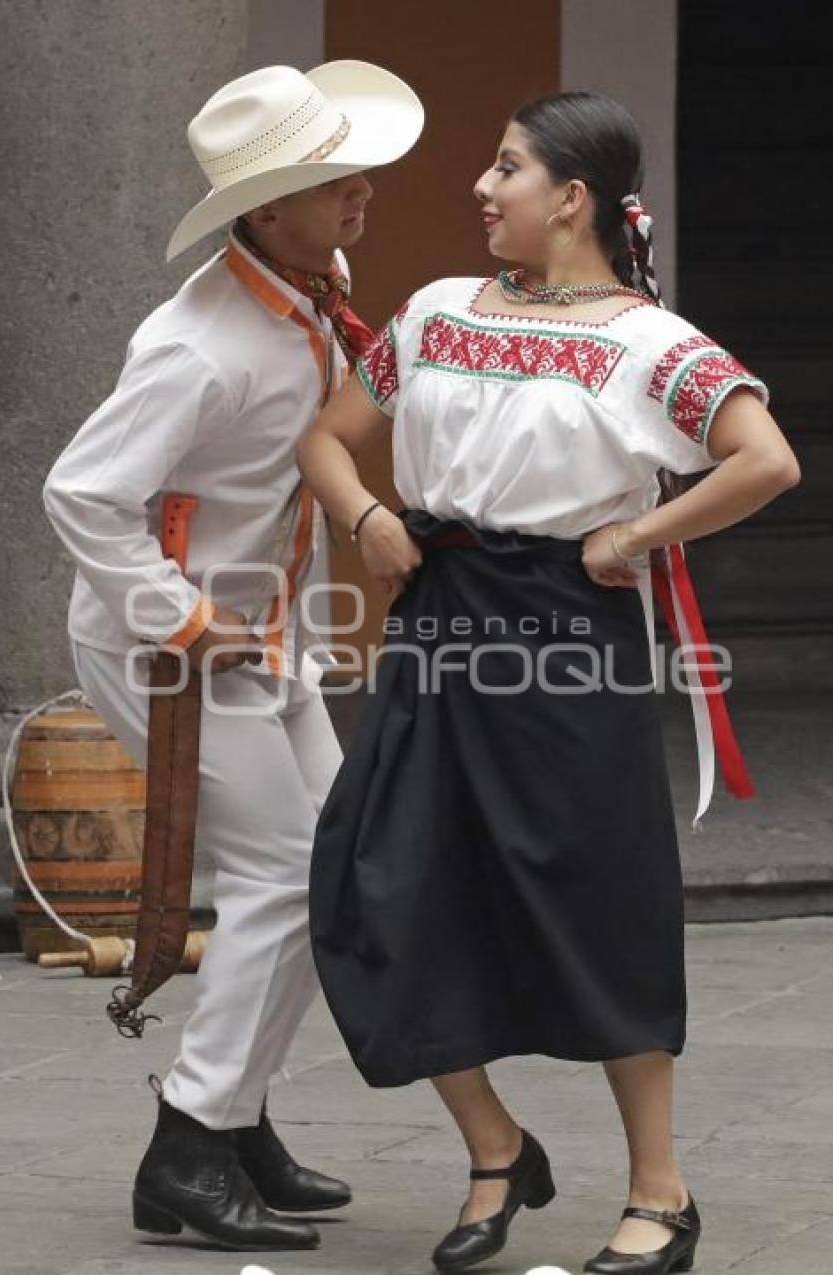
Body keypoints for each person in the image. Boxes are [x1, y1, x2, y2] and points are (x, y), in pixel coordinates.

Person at [296, 91, 800, 1274]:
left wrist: (632, 540)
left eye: (506, 168)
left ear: (571, 200)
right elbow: (326, 439)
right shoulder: (430, 312)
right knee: (377, 887)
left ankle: (660, 1193)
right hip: (436, 620)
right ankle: (494, 1150)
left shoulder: (650, 343)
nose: (482, 186)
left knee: (596, 898)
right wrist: (365, 515)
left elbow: (763, 459)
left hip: (568, 633)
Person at [43, 60, 423, 1252]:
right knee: (280, 878)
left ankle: (233, 1115)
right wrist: (189, 624)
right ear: (266, 211)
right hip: (173, 643)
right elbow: (82, 494)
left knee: (328, 870)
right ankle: (190, 1146)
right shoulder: (198, 346)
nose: (358, 190)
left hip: (261, 625)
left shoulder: (312, 277)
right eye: (330, 179)